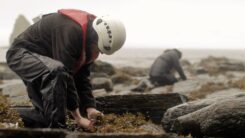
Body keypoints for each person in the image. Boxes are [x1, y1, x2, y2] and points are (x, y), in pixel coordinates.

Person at [6, 9, 126, 129]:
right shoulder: (71, 30)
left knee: (46, 117)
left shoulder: (88, 42)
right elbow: (65, 73)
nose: (100, 53)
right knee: (57, 73)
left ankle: (5, 114)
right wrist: (78, 117)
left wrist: (90, 107)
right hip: (21, 55)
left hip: (46, 65)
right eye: (99, 49)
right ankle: (58, 131)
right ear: (96, 38)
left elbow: (82, 77)